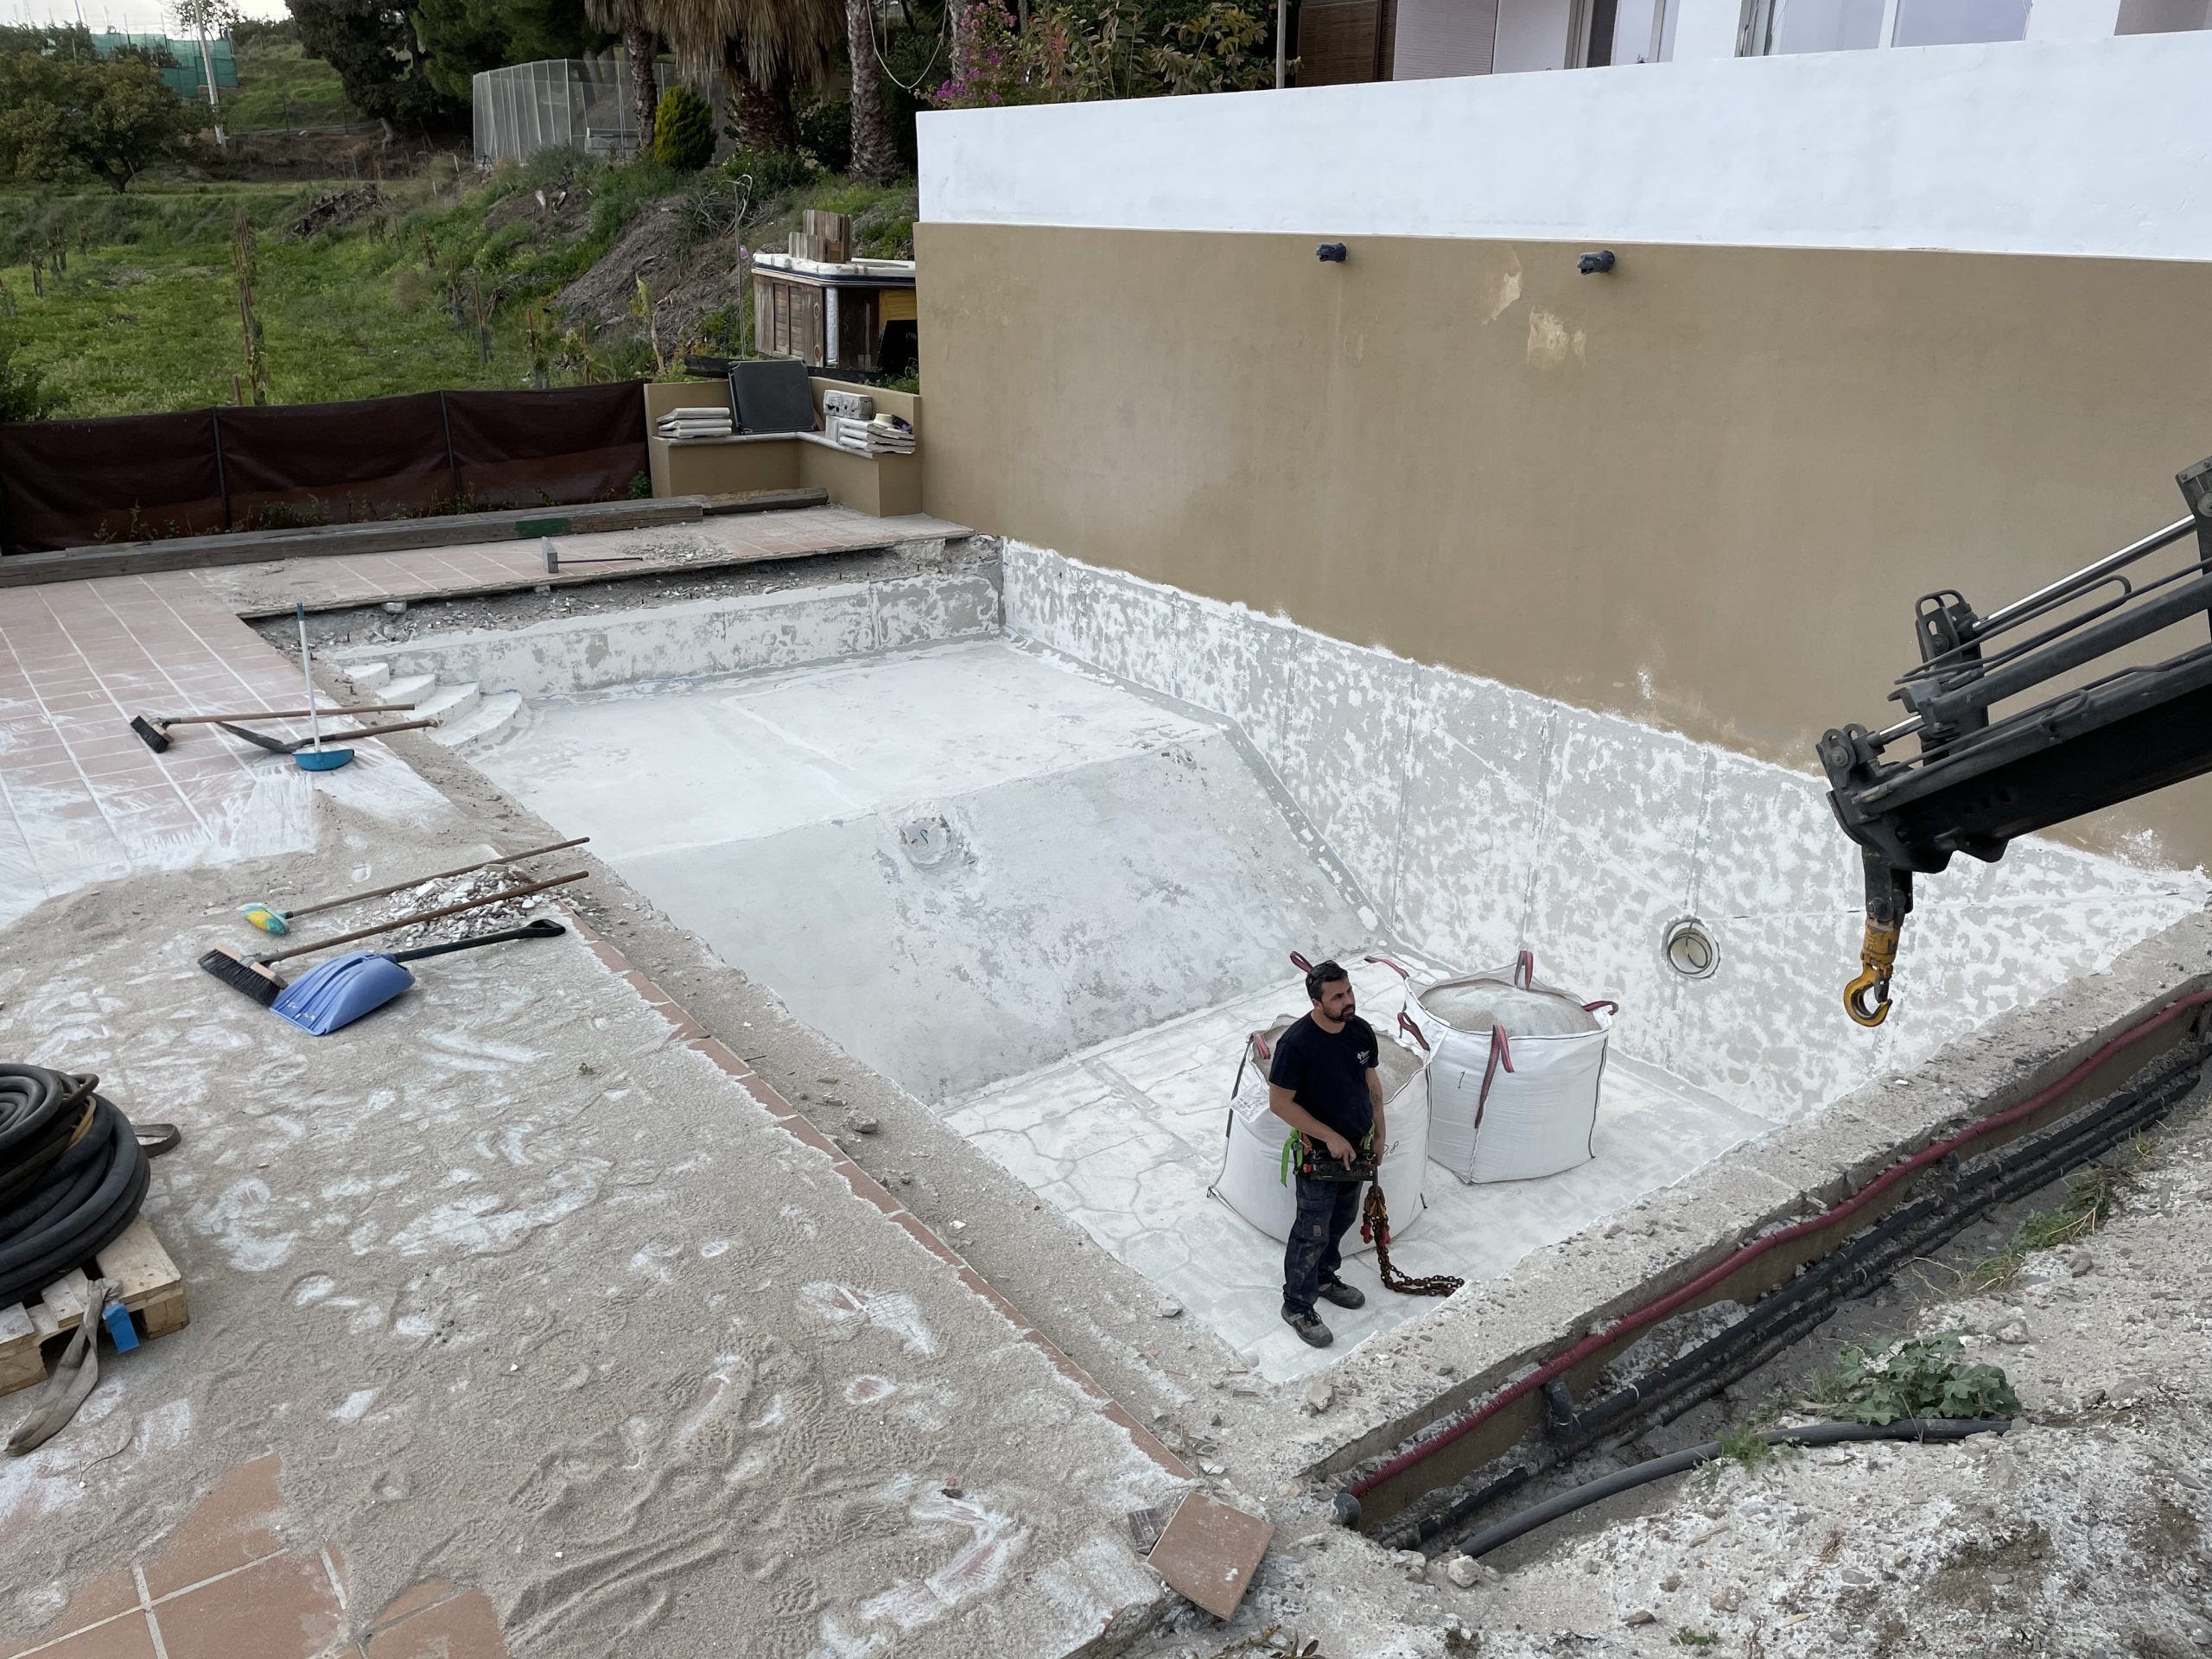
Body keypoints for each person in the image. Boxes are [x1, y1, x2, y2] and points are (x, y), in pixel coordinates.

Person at [1267, 958, 1382, 1348]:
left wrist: (1380, 1132)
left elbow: (1371, 1084)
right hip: (1319, 1156)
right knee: (1311, 1231)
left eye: (1349, 991)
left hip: (1357, 1152)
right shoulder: (1296, 1045)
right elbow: (1280, 1103)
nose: (1348, 1001)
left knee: (1342, 1220)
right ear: (1317, 1002)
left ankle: (1323, 1277)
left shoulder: (1360, 1032)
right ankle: (1297, 1304)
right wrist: (1328, 1136)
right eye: (1337, 996)